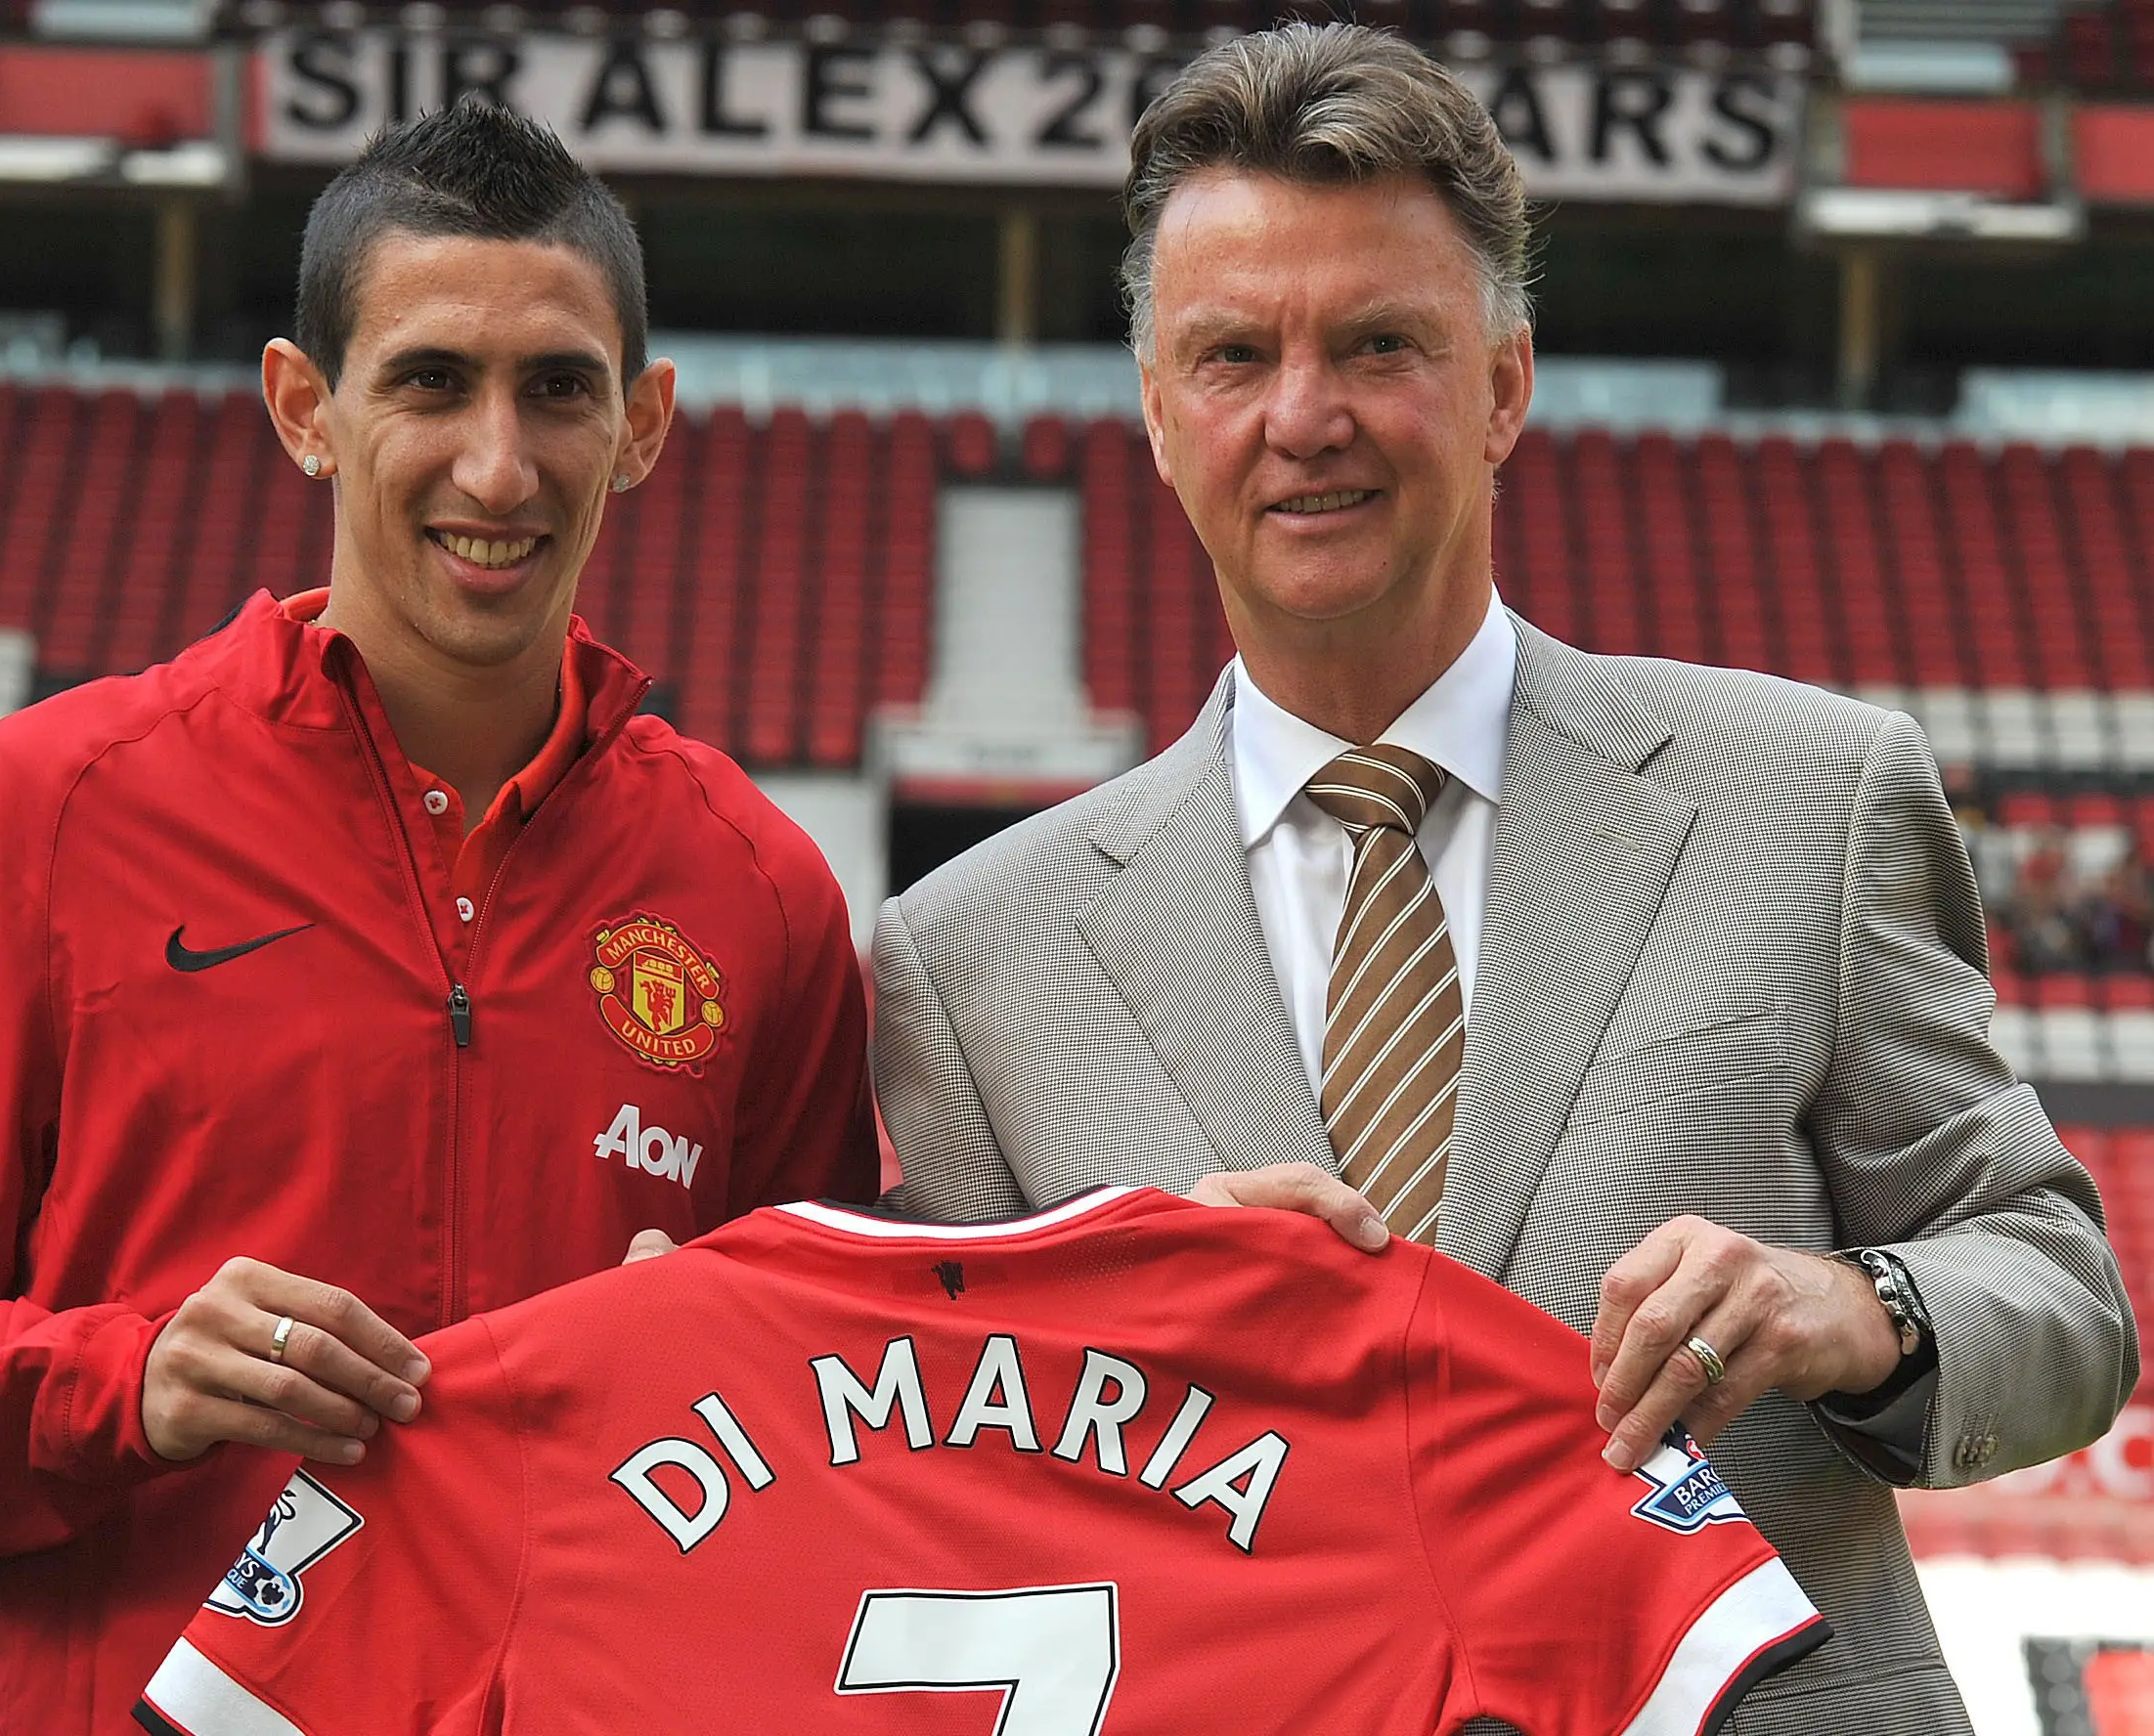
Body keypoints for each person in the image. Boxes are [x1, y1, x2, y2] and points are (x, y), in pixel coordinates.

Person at [866, 25, 2138, 1735]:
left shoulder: (1805, 797)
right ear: (1163, 421)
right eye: (1233, 355)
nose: (1303, 416)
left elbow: (2057, 1291)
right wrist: (1096, 1316)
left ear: (1502, 388)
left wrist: (1854, 1307)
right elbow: (936, 1480)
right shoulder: (967, 957)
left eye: (1377, 344)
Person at [0, 102, 874, 1733]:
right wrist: (124, 1387)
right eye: (428, 382)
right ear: (302, 408)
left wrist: (717, 1365)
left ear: (644, 424)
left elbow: (830, 1426)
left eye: (559, 388)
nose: (498, 463)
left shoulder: (754, 890)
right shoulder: (53, 806)